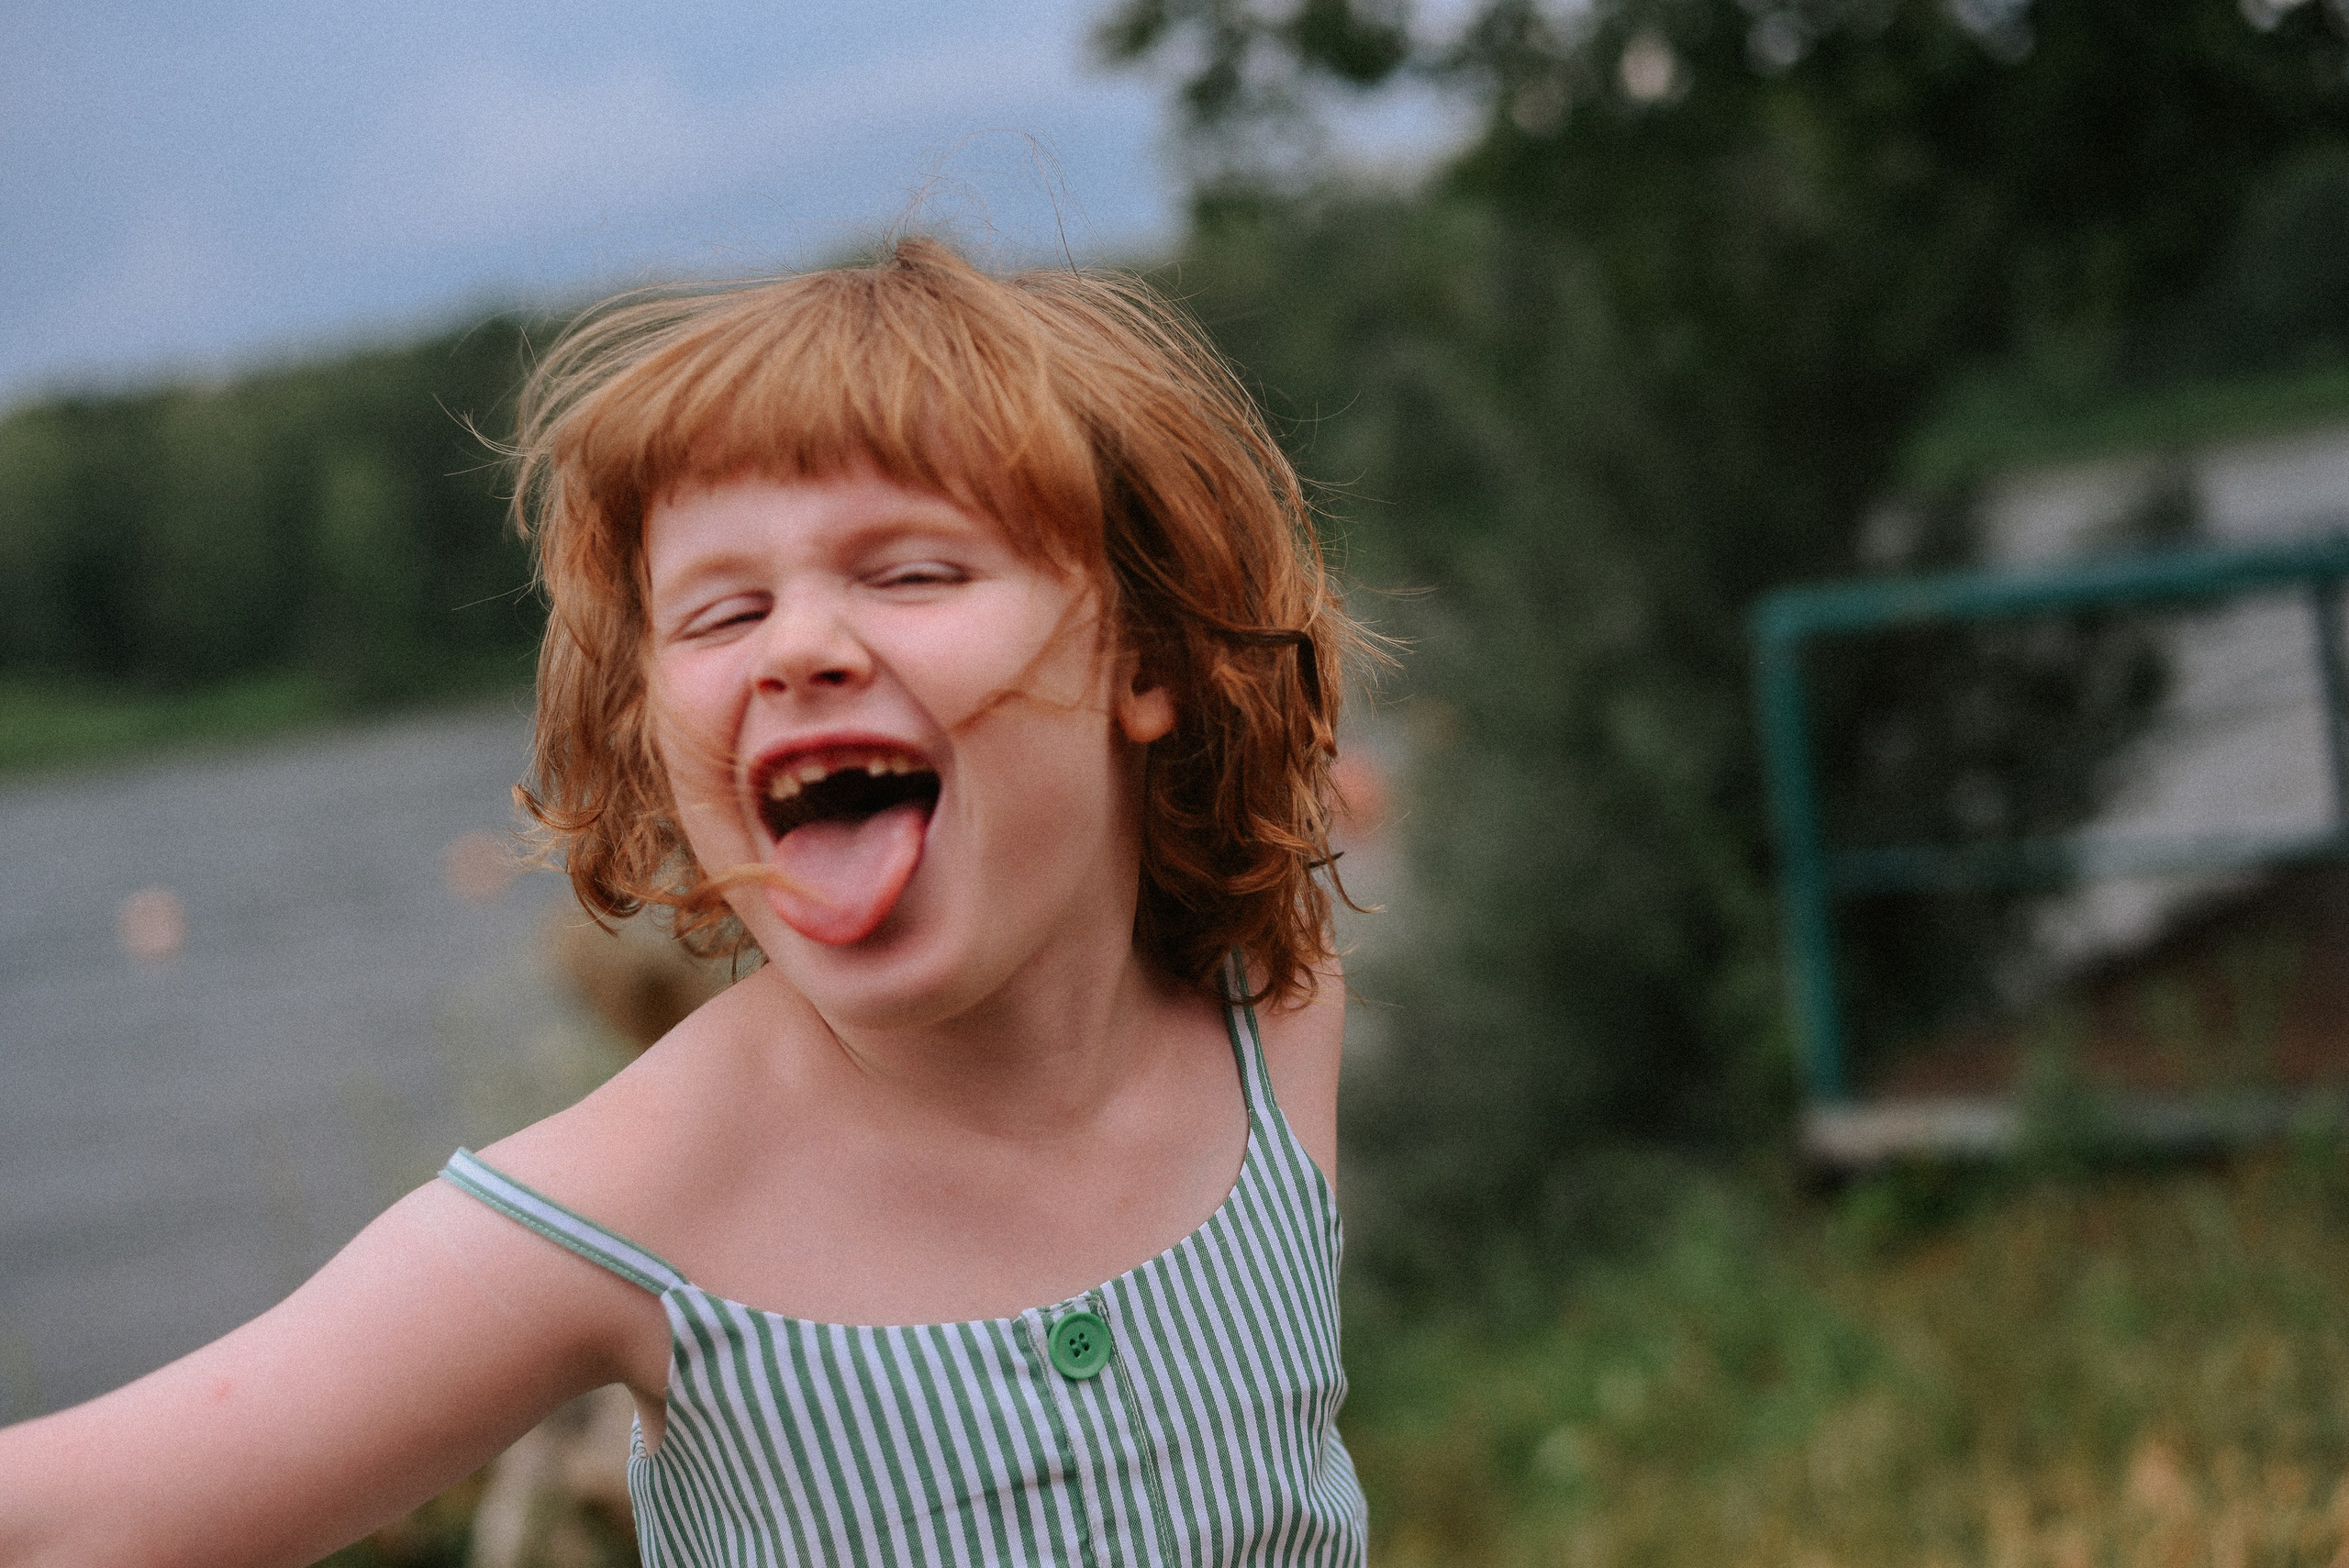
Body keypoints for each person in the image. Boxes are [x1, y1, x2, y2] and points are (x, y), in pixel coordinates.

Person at [0, 237, 1372, 1567]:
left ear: (1150, 657)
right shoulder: (642, 1193)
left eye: (912, 572)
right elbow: (79, 1519)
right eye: (720, 614)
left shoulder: (1271, 1016)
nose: (800, 646)